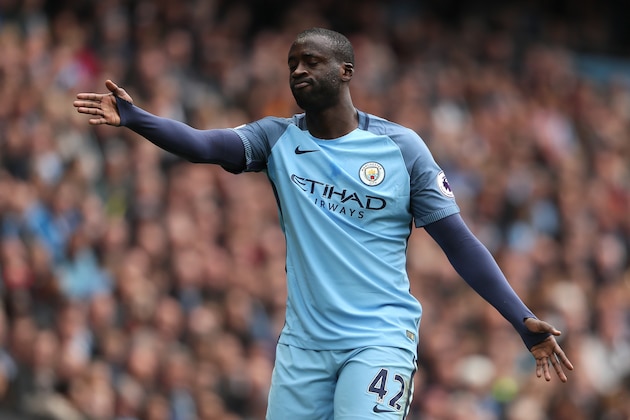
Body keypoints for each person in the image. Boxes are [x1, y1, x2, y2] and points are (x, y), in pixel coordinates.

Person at [74, 27, 573, 420]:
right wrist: (137, 119)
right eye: (292, 63)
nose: (297, 71)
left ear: (346, 71)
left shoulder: (402, 149)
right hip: (303, 347)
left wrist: (520, 318)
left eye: (310, 61)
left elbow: (458, 243)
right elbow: (203, 145)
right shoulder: (276, 139)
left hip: (378, 339)